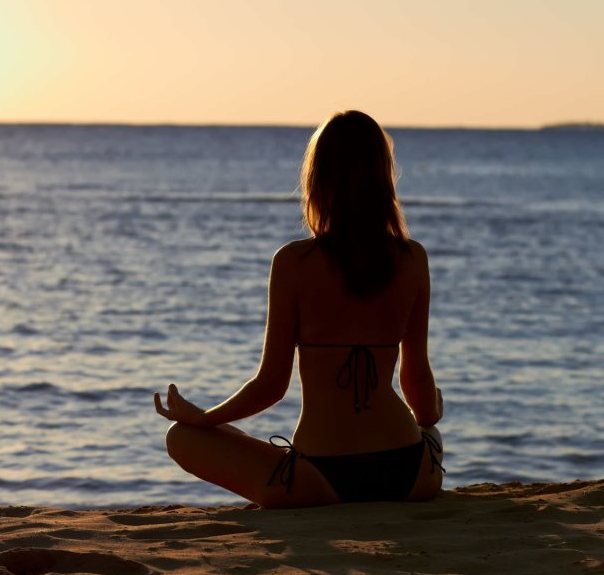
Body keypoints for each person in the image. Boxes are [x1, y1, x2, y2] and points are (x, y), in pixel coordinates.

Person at [154, 110, 444, 508]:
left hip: (321, 477)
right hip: (410, 473)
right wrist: (431, 414)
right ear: (383, 178)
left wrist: (204, 418)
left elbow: (271, 385)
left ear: (318, 179)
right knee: (430, 435)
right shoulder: (412, 259)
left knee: (181, 437)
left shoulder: (294, 263)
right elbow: (417, 382)